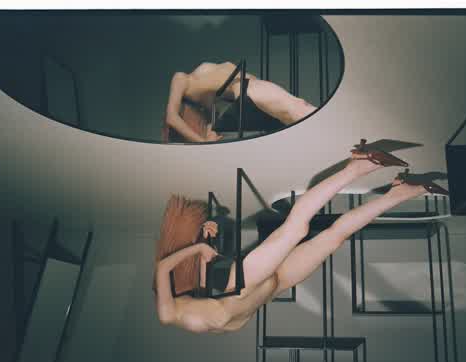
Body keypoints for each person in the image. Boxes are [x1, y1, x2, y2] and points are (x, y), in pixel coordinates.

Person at [153, 140, 449, 333]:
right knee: (333, 238)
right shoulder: (197, 302)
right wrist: (204, 244)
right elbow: (204, 275)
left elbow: (163, 267)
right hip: (273, 287)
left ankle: (358, 166)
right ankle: (401, 192)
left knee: (297, 228)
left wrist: (200, 247)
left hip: (246, 281)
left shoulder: (168, 314)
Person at [161, 61, 317, 143]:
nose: (195, 126)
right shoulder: (206, 105)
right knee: (300, 111)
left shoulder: (183, 80)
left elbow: (172, 118)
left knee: (298, 119)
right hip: (248, 89)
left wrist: (201, 141)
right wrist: (204, 141)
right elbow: (174, 119)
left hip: (249, 90)